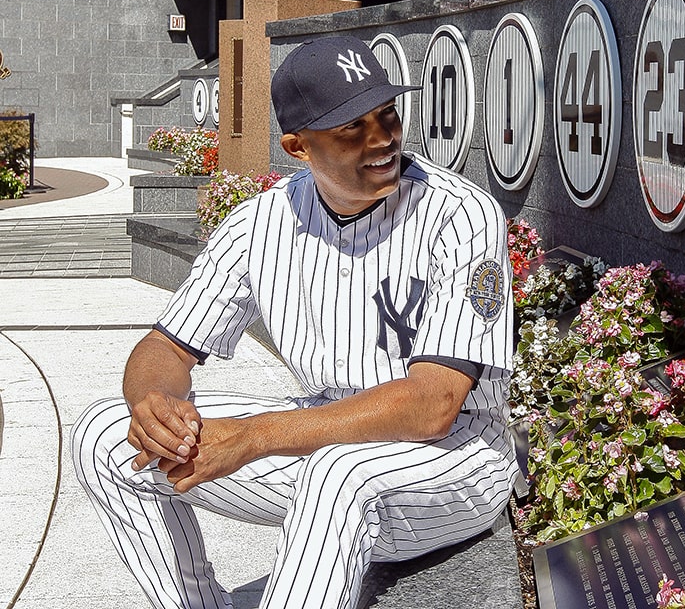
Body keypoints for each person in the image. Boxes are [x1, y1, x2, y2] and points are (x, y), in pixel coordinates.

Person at [72, 35, 518, 609]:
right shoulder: (260, 222)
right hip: (322, 445)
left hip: (454, 464)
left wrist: (256, 438)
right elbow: (167, 345)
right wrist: (156, 404)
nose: (381, 139)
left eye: (386, 114)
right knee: (108, 436)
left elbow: (433, 405)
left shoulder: (460, 214)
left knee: (337, 476)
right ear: (296, 146)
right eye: (350, 127)